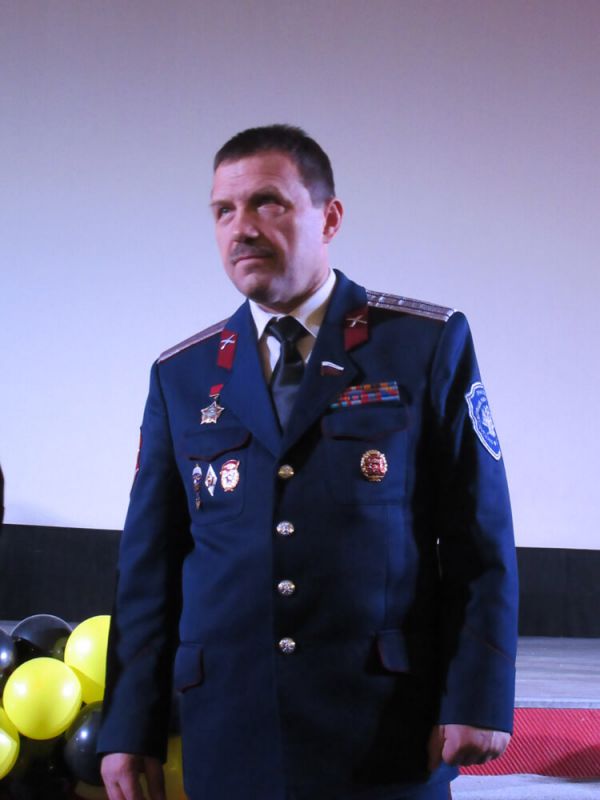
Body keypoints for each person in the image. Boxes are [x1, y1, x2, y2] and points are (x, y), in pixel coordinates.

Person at [98, 125, 518, 800]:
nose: (242, 228)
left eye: (267, 202)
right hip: (231, 727)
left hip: (383, 727)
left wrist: (480, 694)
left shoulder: (421, 345)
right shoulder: (183, 375)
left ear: (329, 218)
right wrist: (129, 727)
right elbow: (150, 567)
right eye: (223, 210)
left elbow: (479, 538)